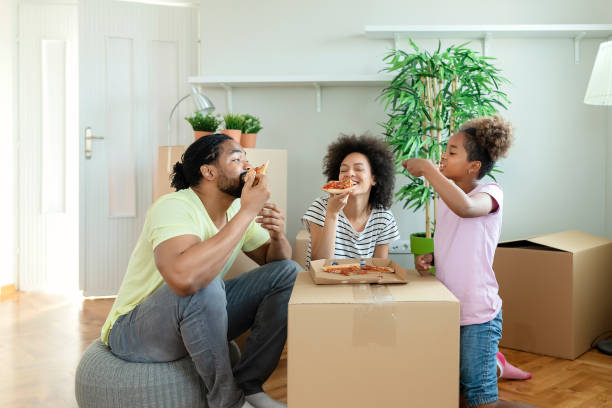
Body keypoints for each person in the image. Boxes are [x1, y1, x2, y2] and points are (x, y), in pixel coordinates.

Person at [100, 134, 300, 408]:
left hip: (190, 315)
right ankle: (228, 401)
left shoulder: (235, 210)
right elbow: (184, 280)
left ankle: (249, 386)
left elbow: (276, 261)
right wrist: (248, 212)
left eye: (246, 159)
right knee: (205, 283)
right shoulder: (173, 206)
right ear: (209, 172)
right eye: (236, 159)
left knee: (289, 273)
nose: (247, 165)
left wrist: (277, 236)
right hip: (133, 330)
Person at [403, 115, 533, 408]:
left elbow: (467, 208)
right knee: (462, 397)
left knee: (480, 399)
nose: (443, 156)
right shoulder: (446, 198)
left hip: (477, 314)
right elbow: (461, 239)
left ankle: (494, 366)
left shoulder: (489, 193)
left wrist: (427, 169)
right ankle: (495, 366)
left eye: (452, 152)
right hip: (450, 310)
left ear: (473, 166)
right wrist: (433, 256)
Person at [302, 134, 400, 268]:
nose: (349, 174)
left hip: (363, 280)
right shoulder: (321, 207)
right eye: (343, 170)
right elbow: (318, 265)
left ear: (374, 179)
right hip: (323, 280)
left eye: (358, 169)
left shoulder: (383, 217)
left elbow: (379, 269)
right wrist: (332, 213)